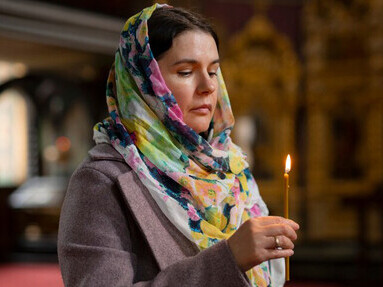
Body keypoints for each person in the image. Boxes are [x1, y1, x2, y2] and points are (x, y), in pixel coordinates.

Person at [58, 3, 299, 287]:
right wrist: (229, 258)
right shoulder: (101, 181)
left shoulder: (228, 166)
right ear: (144, 82)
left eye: (213, 71)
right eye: (186, 72)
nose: (208, 87)